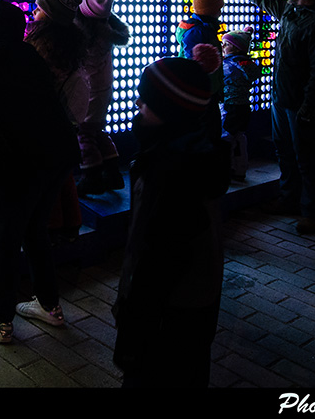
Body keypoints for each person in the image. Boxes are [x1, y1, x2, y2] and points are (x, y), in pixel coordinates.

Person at [0, 1, 78, 343]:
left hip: (19, 160)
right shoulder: (28, 54)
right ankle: (50, 306)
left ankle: (1, 319)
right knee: (35, 229)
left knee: (6, 236)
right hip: (58, 153)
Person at [113, 51, 231, 388]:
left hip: (167, 315)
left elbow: (157, 259)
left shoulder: (170, 174)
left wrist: (133, 323)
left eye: (145, 101)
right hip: (195, 308)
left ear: (169, 111)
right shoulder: (198, 155)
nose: (137, 105)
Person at [223, 0, 315, 234]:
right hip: (282, 98)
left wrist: (309, 107)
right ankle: (290, 199)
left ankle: (314, 213)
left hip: (301, 104)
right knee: (285, 151)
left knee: (307, 157)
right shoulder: (290, 11)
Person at [25, 0, 88, 241]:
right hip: (65, 130)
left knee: (43, 196)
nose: (33, 13)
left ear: (50, 16)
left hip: (43, 132)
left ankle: (51, 232)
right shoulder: (72, 50)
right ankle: (68, 226)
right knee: (62, 179)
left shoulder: (40, 50)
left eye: (39, 9)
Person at [74, 0, 132, 195]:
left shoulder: (86, 36)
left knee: (84, 133)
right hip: (104, 88)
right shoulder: (106, 28)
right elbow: (94, 2)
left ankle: (91, 176)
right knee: (97, 130)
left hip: (90, 91)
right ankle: (113, 173)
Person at [176, 0, 226, 134]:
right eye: (218, 9)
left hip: (206, 90)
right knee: (209, 131)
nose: (220, 13)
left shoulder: (204, 28)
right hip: (202, 91)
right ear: (209, 10)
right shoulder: (198, 31)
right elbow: (193, 65)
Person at [221, 26, 262, 181]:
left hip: (230, 106)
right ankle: (240, 169)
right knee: (240, 137)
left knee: (225, 138)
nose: (222, 46)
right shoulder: (248, 65)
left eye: (227, 44)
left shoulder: (229, 66)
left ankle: (225, 169)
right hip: (244, 106)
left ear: (237, 48)